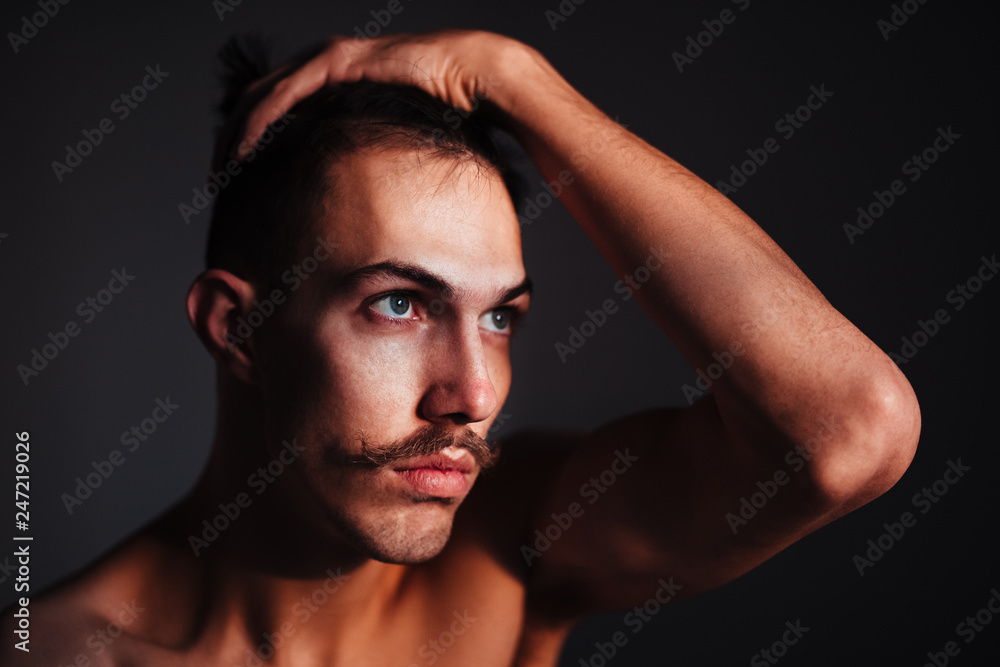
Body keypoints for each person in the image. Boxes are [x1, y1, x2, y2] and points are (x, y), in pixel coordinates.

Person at [2, 29, 920, 666]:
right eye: (400, 304)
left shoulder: (512, 544)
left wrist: (517, 79)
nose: (473, 394)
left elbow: (849, 430)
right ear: (236, 327)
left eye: (499, 316)